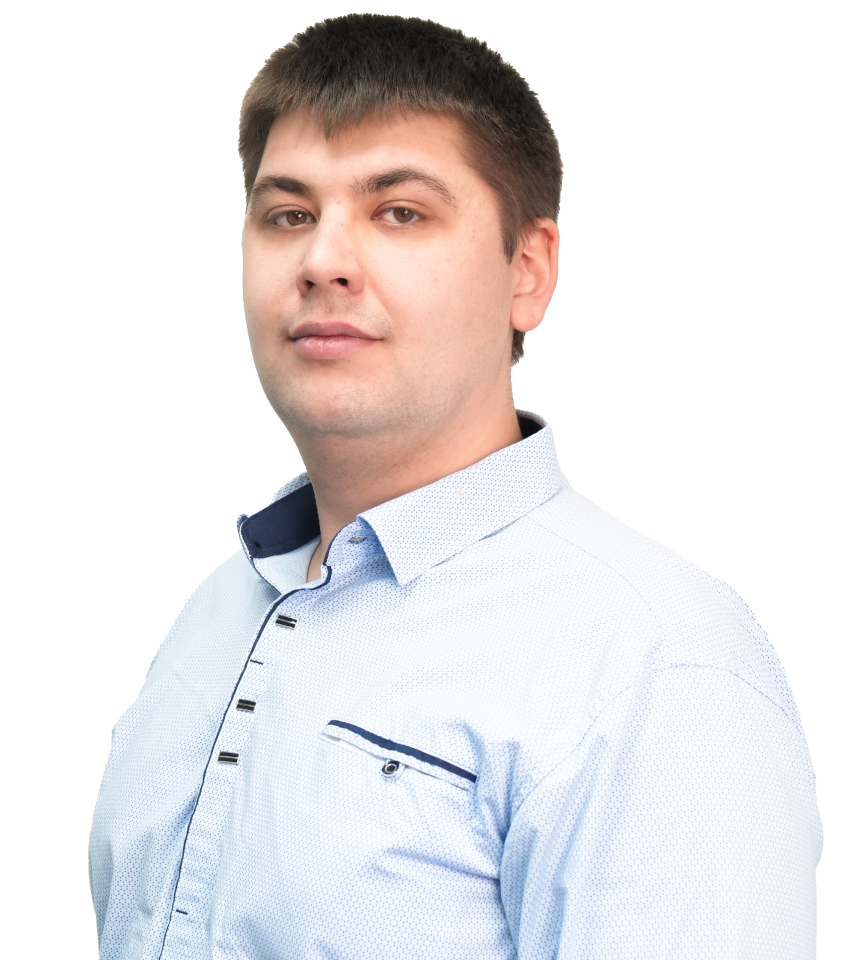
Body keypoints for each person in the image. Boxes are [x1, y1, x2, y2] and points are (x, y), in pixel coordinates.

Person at [88, 14, 821, 958]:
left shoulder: (656, 666)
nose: (322, 262)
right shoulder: (218, 610)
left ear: (529, 273)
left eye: (400, 212)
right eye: (288, 215)